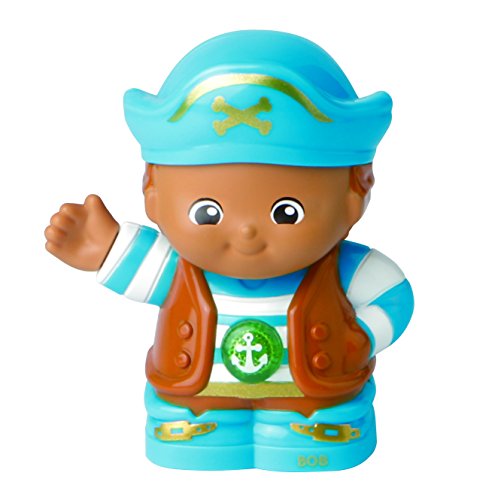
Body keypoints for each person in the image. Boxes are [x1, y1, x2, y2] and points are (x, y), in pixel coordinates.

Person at [45, 30, 414, 471]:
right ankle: (207, 434)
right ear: (153, 195)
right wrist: (103, 248)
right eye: (208, 213)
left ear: (355, 195)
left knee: (309, 435)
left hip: (314, 404)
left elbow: (394, 297)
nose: (246, 232)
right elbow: (133, 264)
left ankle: (302, 437)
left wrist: (364, 337)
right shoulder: (177, 266)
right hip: (197, 401)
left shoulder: (345, 269)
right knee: (198, 433)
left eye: (287, 213)